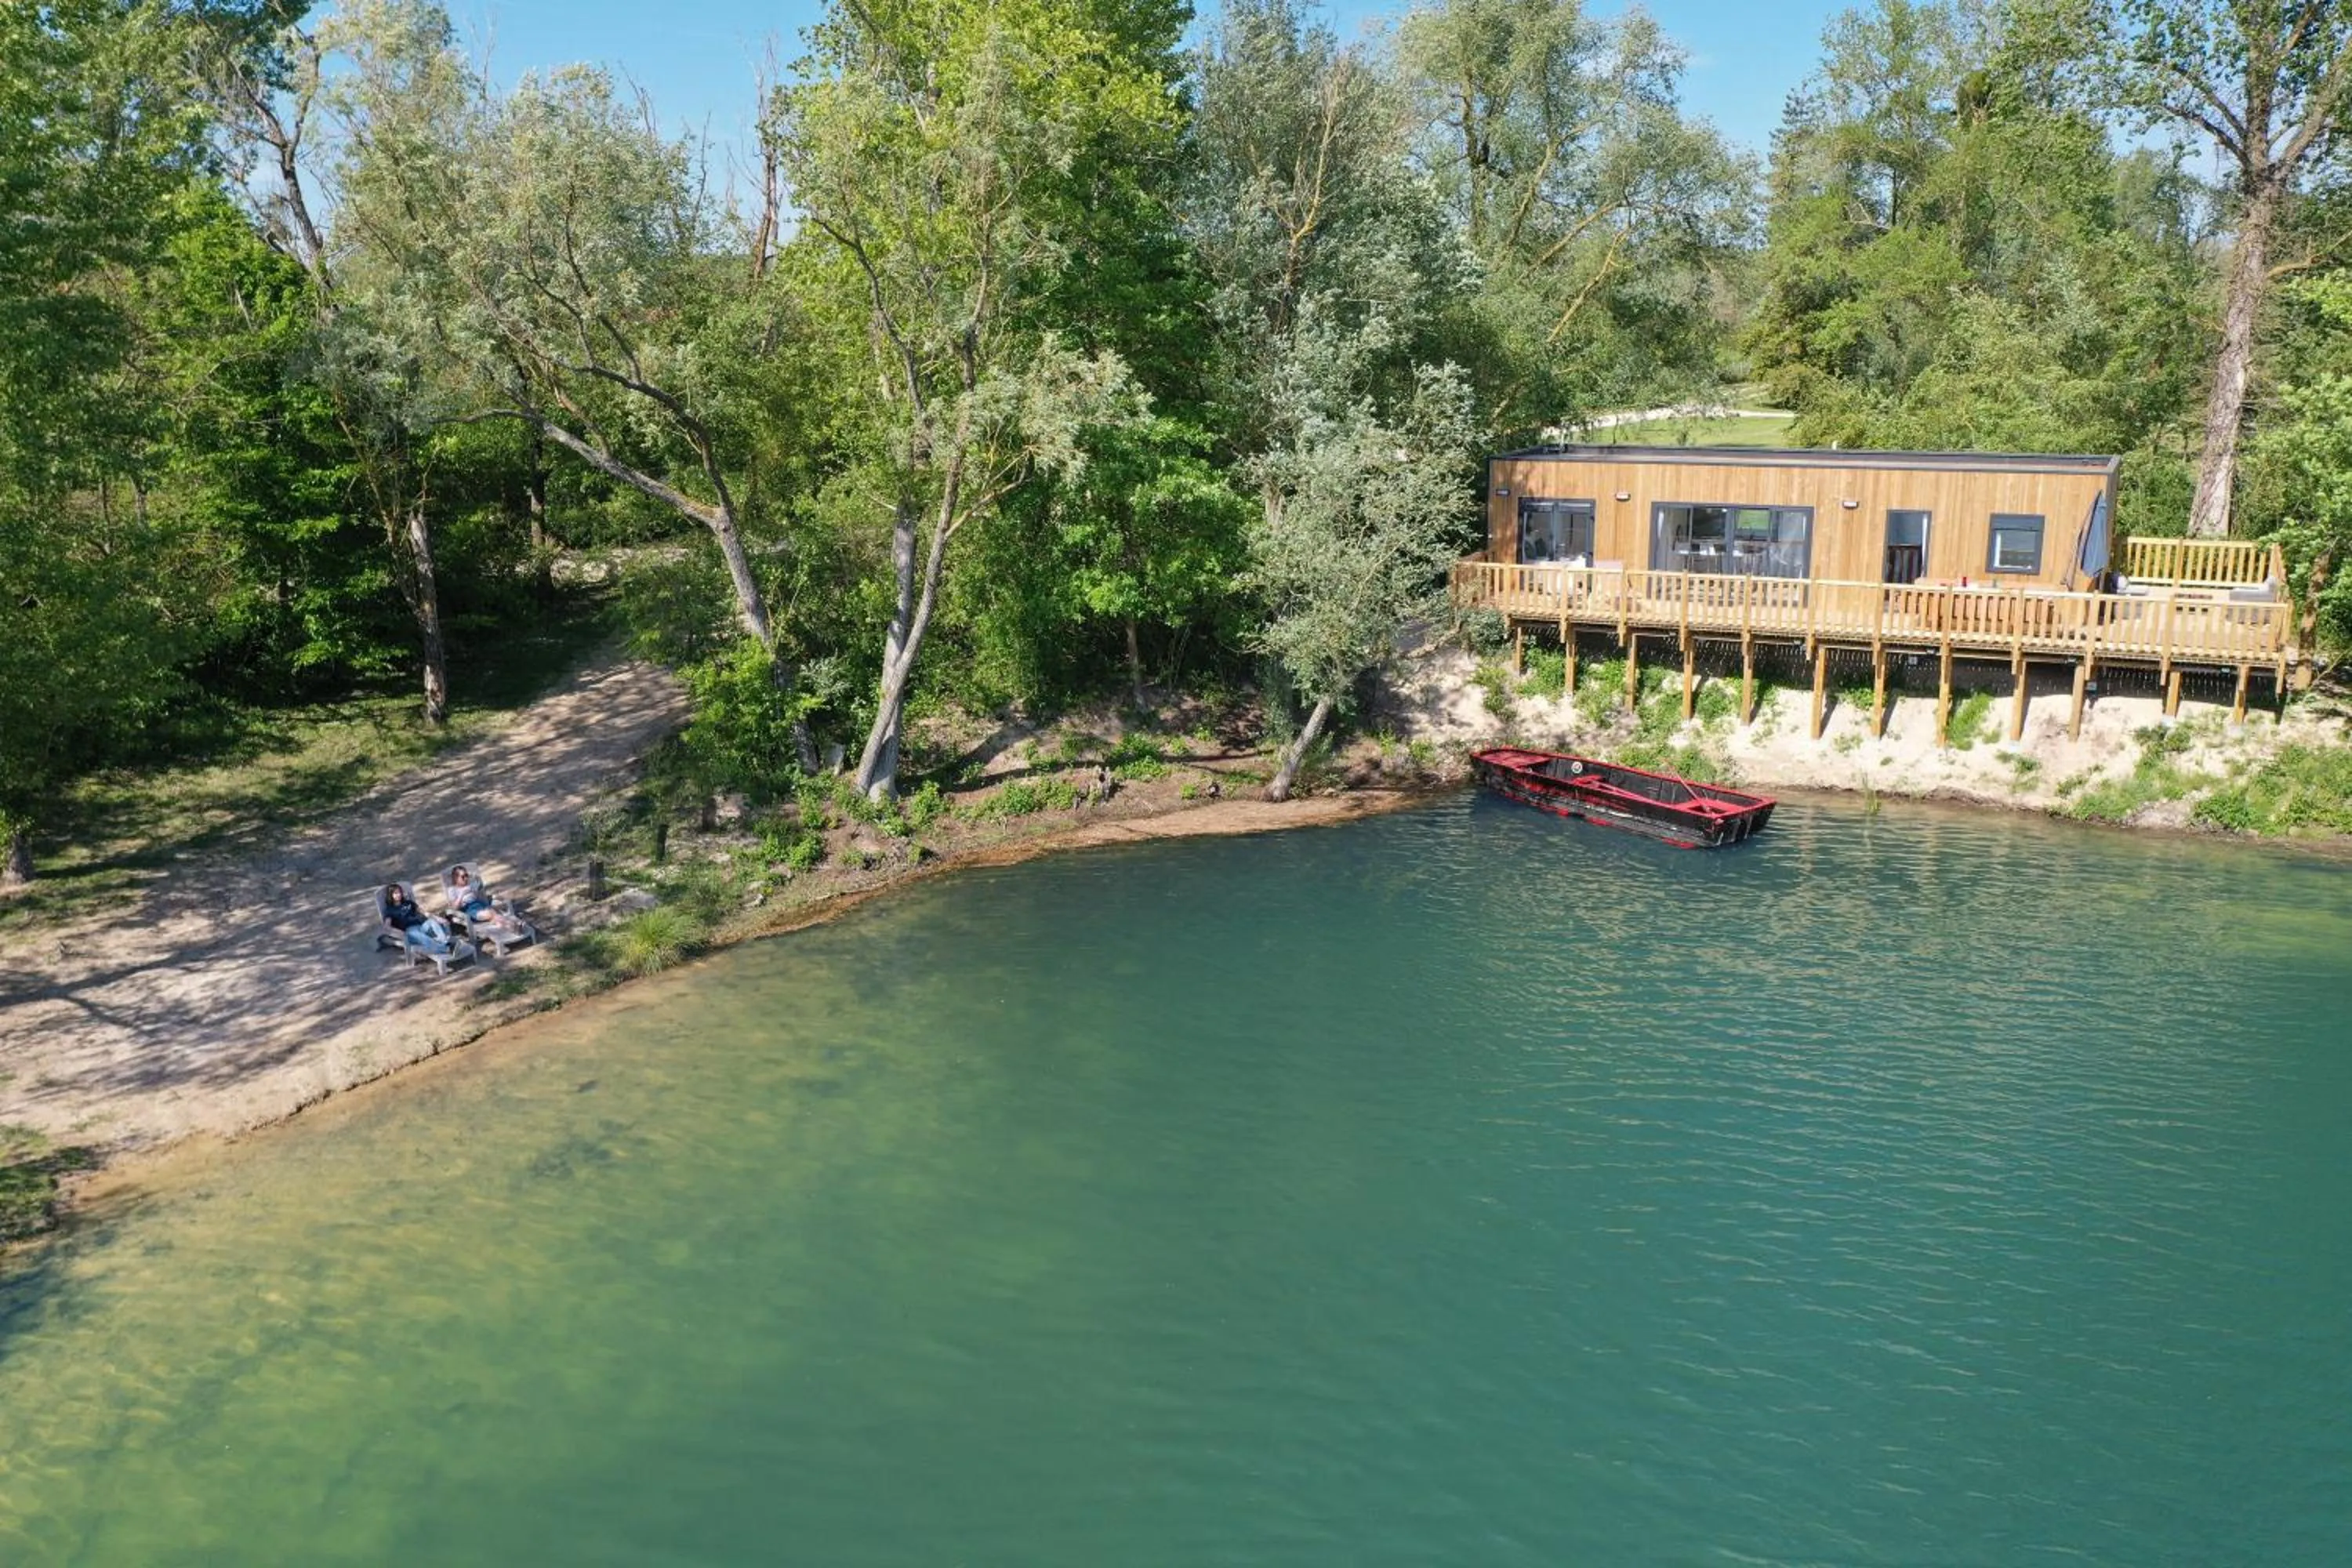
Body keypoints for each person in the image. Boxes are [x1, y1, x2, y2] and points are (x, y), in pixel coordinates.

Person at [383, 883, 452, 955]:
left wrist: (437, 918)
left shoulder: (409, 903)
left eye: (400, 892)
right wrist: (400, 933)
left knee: (432, 922)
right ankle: (445, 949)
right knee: (422, 937)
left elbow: (425, 913)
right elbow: (387, 927)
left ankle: (445, 943)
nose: (399, 895)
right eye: (396, 893)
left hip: (422, 925)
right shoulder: (390, 910)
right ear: (391, 895)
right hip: (410, 931)